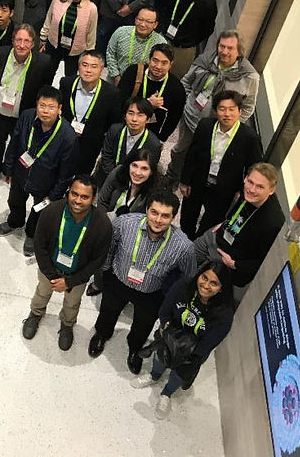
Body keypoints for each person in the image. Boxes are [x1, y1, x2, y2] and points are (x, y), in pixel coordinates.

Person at [88, 188, 196, 374]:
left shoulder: (183, 247)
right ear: (147, 209)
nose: (158, 219)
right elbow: (110, 246)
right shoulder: (125, 224)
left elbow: (188, 277)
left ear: (173, 218)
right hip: (118, 280)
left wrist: (171, 301)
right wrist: (106, 271)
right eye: (154, 212)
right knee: (108, 310)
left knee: (143, 325)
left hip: (151, 293)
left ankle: (134, 349)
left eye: (165, 216)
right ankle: (102, 334)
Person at [20, 174, 111, 351]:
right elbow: (39, 244)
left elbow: (98, 260)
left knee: (72, 303)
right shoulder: (52, 211)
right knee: (42, 293)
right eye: (74, 194)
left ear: (93, 198)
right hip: (49, 270)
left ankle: (67, 324)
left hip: (77, 276)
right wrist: (52, 276)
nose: (77, 200)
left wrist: (70, 282)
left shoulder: (102, 224)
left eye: (84, 197)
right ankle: (35, 313)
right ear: (68, 192)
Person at [133, 262, 234, 419]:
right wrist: (165, 327)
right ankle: (154, 376)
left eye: (214, 283)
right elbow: (166, 309)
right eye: (204, 277)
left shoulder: (224, 314)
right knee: (160, 358)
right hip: (169, 335)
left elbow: (210, 343)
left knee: (179, 374)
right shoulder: (184, 286)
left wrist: (186, 354)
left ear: (221, 288)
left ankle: (167, 393)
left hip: (193, 351)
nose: (206, 285)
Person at [166, 30, 261, 181]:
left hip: (219, 129)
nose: (224, 51)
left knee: (205, 157)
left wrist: (230, 124)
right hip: (192, 118)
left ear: (239, 51)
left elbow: (248, 107)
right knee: (181, 150)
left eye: (230, 48)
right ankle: (172, 176)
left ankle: (191, 182)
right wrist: (186, 103)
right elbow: (186, 82)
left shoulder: (249, 76)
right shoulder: (205, 61)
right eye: (222, 46)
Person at [0, 86, 77, 256]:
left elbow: (66, 172)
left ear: (59, 108)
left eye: (51, 107)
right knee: (15, 200)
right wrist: (8, 169)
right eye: (42, 105)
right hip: (21, 172)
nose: (45, 111)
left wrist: (54, 195)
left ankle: (32, 234)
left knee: (39, 210)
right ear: (37, 105)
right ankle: (15, 222)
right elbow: (14, 143)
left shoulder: (67, 135)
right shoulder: (27, 117)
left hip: (46, 182)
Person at [179, 90, 262, 239]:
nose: (227, 114)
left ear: (240, 111)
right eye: (222, 109)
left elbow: (253, 168)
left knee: (210, 225)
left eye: (232, 109)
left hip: (224, 190)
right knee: (187, 217)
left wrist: (242, 192)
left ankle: (198, 246)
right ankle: (183, 242)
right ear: (215, 111)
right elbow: (192, 154)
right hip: (198, 181)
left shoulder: (249, 138)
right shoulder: (205, 126)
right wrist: (185, 181)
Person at [0, 25, 53, 179]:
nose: (22, 45)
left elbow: (44, 89)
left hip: (22, 113)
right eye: (18, 40)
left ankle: (10, 171)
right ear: (13, 41)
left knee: (19, 144)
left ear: (33, 44)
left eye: (27, 41)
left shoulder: (43, 63)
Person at [193, 162, 283, 292]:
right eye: (250, 182)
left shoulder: (272, 223)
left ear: (271, 190)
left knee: (201, 286)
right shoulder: (246, 191)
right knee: (185, 260)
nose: (252, 189)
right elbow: (238, 208)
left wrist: (234, 264)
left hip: (229, 261)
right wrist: (225, 223)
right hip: (217, 237)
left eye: (260, 187)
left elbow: (262, 261)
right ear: (245, 179)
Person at [85, 148, 159, 296]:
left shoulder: (154, 190)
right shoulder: (118, 173)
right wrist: (104, 223)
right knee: (100, 255)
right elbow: (103, 200)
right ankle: (98, 283)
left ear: (151, 172)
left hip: (132, 235)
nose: (137, 172)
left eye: (144, 168)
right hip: (107, 224)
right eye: (134, 165)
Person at [59, 50, 123, 175]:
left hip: (90, 146)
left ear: (101, 69)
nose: (88, 70)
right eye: (85, 65)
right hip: (64, 140)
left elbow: (112, 123)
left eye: (94, 66)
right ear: (79, 66)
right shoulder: (66, 83)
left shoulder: (112, 94)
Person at [116, 44, 186, 141]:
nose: (158, 66)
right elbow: (119, 101)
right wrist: (148, 103)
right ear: (149, 60)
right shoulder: (133, 72)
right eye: (155, 61)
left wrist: (160, 138)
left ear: (171, 64)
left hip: (151, 135)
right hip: (126, 127)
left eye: (164, 63)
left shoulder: (177, 88)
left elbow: (174, 118)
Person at [159, 0, 217, 77]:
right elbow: (163, 11)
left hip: (184, 49)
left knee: (175, 78)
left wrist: (190, 41)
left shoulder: (207, 4)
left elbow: (208, 29)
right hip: (164, 39)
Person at [40, 0, 97, 77]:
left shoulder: (91, 8)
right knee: (47, 73)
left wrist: (89, 53)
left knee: (70, 78)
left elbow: (91, 33)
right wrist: (43, 38)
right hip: (54, 44)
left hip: (76, 50)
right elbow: (49, 19)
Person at [96, 97, 164, 185]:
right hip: (107, 177)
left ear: (148, 119)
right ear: (125, 116)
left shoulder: (154, 144)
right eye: (131, 113)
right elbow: (106, 156)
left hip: (134, 182)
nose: (134, 119)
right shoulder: (114, 130)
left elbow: (147, 170)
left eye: (140, 115)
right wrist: (113, 178)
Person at [105, 6, 165, 82]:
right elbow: (110, 54)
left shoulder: (160, 42)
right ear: (135, 19)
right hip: (115, 79)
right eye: (140, 19)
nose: (143, 24)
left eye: (148, 22)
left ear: (155, 24)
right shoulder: (121, 32)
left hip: (143, 83)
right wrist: (116, 76)